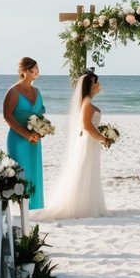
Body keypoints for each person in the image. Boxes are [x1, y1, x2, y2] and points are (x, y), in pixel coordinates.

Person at [40, 69, 111, 219]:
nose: (99, 85)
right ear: (90, 85)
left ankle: (88, 203)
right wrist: (103, 138)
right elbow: (87, 126)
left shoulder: (87, 103)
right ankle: (81, 206)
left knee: (89, 172)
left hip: (91, 142)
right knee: (84, 171)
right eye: (96, 82)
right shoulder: (86, 103)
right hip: (87, 142)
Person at [4, 57, 45, 209]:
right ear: (23, 71)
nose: (36, 72)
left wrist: (40, 132)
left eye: (37, 69)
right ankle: (19, 209)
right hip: (18, 139)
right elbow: (7, 116)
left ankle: (34, 208)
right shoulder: (13, 91)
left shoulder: (37, 92)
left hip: (34, 141)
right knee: (20, 174)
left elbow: (40, 116)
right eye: (32, 69)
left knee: (33, 171)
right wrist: (26, 135)